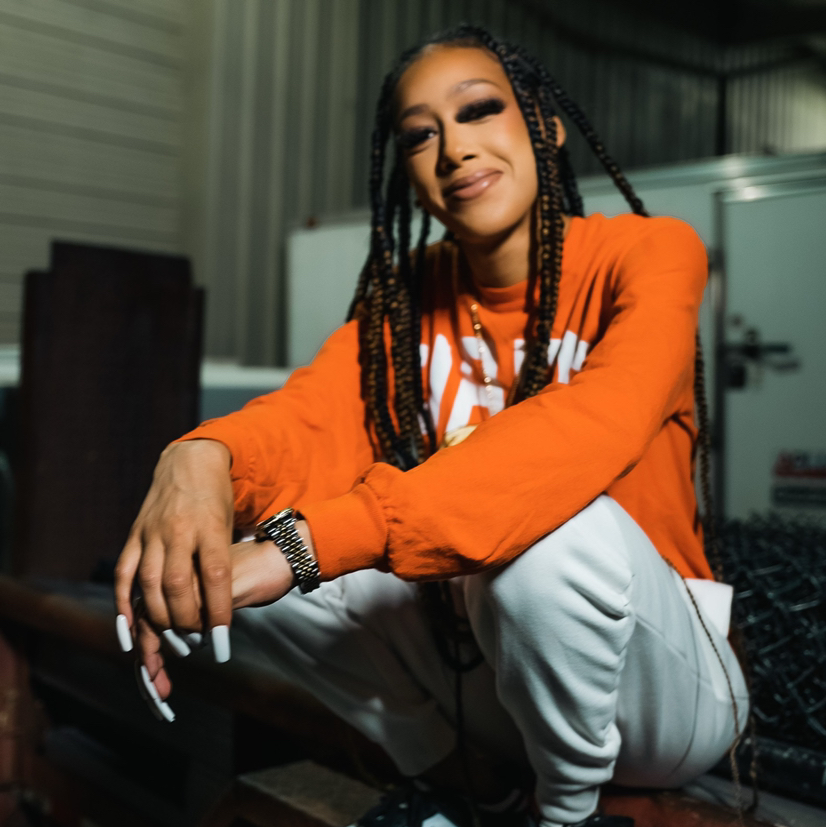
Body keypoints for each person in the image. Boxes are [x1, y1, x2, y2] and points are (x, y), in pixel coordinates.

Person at [113, 25, 749, 827]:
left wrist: (301, 549)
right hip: (497, 692)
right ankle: (468, 780)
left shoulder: (649, 253)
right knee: (231, 553)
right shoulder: (406, 300)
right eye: (420, 134)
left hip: (659, 698)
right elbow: (310, 420)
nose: (454, 149)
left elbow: (600, 419)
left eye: (479, 110)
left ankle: (566, 815)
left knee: (542, 534)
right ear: (409, 176)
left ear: (546, 127)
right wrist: (200, 458)